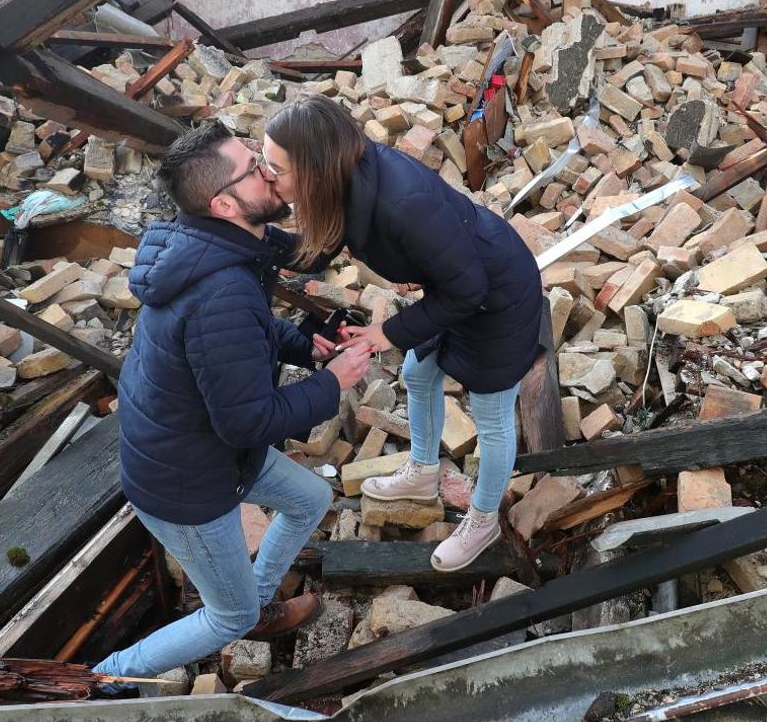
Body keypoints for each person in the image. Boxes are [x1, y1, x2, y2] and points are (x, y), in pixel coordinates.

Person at [94, 122, 374, 684]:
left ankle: (258, 602)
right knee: (227, 616)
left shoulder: (211, 244)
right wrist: (334, 380)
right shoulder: (219, 292)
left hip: (197, 448)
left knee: (310, 498)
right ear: (225, 203)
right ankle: (105, 678)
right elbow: (250, 421)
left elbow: (253, 323)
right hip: (188, 486)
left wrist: (302, 342)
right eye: (254, 168)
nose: (269, 171)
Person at [263, 94, 543, 572]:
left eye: (277, 169)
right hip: (453, 283)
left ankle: (483, 518)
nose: (269, 178)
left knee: (492, 414)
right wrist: (244, 234)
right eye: (264, 166)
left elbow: (468, 290)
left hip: (496, 295)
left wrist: (383, 333)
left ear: (313, 167)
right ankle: (423, 471)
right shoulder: (346, 180)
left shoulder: (400, 200)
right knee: (417, 374)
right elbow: (318, 251)